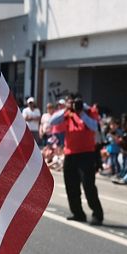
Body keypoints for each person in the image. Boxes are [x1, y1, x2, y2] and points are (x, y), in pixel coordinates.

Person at [47, 96, 104, 225]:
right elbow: (53, 121)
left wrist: (82, 111)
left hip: (86, 154)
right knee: (71, 186)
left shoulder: (90, 112)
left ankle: (97, 214)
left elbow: (94, 127)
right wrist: (67, 108)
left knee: (88, 186)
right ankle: (78, 213)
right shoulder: (68, 113)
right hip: (70, 154)